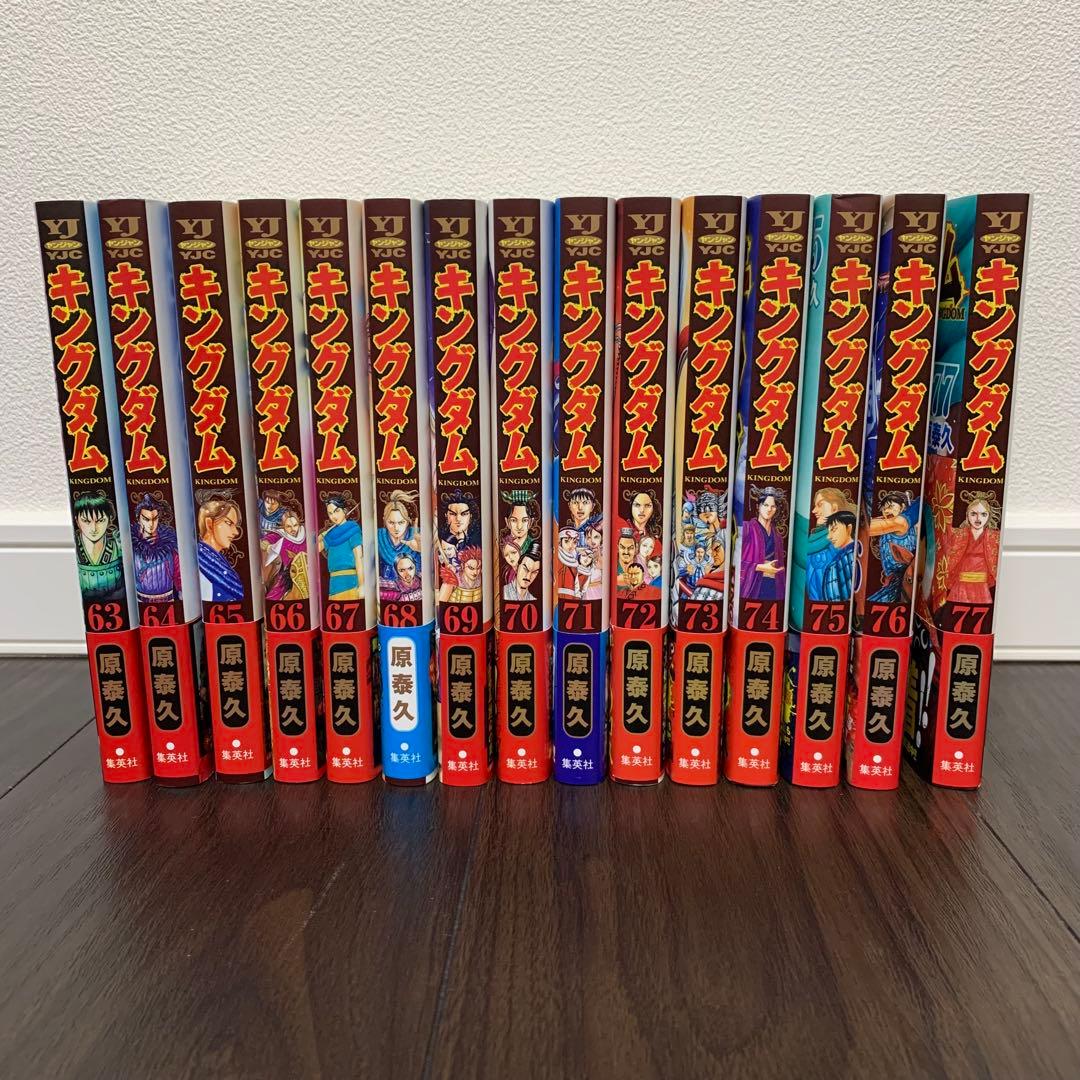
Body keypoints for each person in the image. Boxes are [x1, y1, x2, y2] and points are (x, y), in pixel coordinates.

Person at [944, 494, 1000, 605]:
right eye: (973, 514)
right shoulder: (957, 535)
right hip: (960, 587)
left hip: (982, 588)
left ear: (988, 516)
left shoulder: (995, 537)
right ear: (967, 515)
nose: (978, 519)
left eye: (983, 514)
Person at [73, 490, 125, 603]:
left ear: (109, 520)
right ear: (77, 521)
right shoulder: (74, 548)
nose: (94, 528)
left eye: (100, 520)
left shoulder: (118, 546)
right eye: (86, 521)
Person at [868, 492, 919, 604]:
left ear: (903, 507)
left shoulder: (899, 525)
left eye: (891, 506)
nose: (886, 511)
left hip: (903, 581)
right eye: (884, 509)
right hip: (892, 582)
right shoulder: (889, 522)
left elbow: (866, 527)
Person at [130, 493, 182, 604]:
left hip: (169, 601)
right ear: (139, 519)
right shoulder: (131, 546)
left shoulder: (170, 545)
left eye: (155, 519)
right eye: (146, 519)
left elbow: (178, 574)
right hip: (140, 602)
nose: (151, 524)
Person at [739, 486, 787, 602]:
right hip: (753, 585)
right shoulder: (746, 528)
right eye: (765, 505)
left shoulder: (778, 536)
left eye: (773, 506)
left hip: (773, 586)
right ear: (758, 506)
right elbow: (735, 562)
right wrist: (759, 567)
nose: (769, 509)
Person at [197, 492, 245, 603]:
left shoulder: (217, 559)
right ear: (209, 524)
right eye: (229, 523)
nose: (236, 532)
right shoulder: (200, 561)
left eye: (235, 526)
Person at [320, 494, 364, 601]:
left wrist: (362, 585)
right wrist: (320, 536)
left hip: (350, 583)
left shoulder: (353, 530)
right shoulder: (330, 535)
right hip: (334, 584)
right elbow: (314, 549)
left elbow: (359, 558)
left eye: (337, 511)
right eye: (330, 513)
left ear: (344, 511)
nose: (333, 516)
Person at [265, 507, 310, 602]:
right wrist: (268, 546)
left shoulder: (306, 533)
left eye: (295, 525)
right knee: (274, 597)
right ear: (283, 527)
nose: (293, 529)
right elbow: (264, 542)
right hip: (287, 574)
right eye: (288, 526)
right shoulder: (279, 536)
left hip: (308, 572)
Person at [377, 489, 421, 585]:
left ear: (407, 521)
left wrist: (421, 549)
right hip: (386, 586)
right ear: (384, 521)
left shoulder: (417, 535)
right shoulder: (379, 536)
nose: (396, 528)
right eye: (391, 522)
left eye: (401, 522)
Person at [817, 510, 857, 601]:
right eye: (829, 531)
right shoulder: (841, 557)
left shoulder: (852, 555)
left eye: (834, 530)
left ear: (849, 529)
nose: (829, 537)